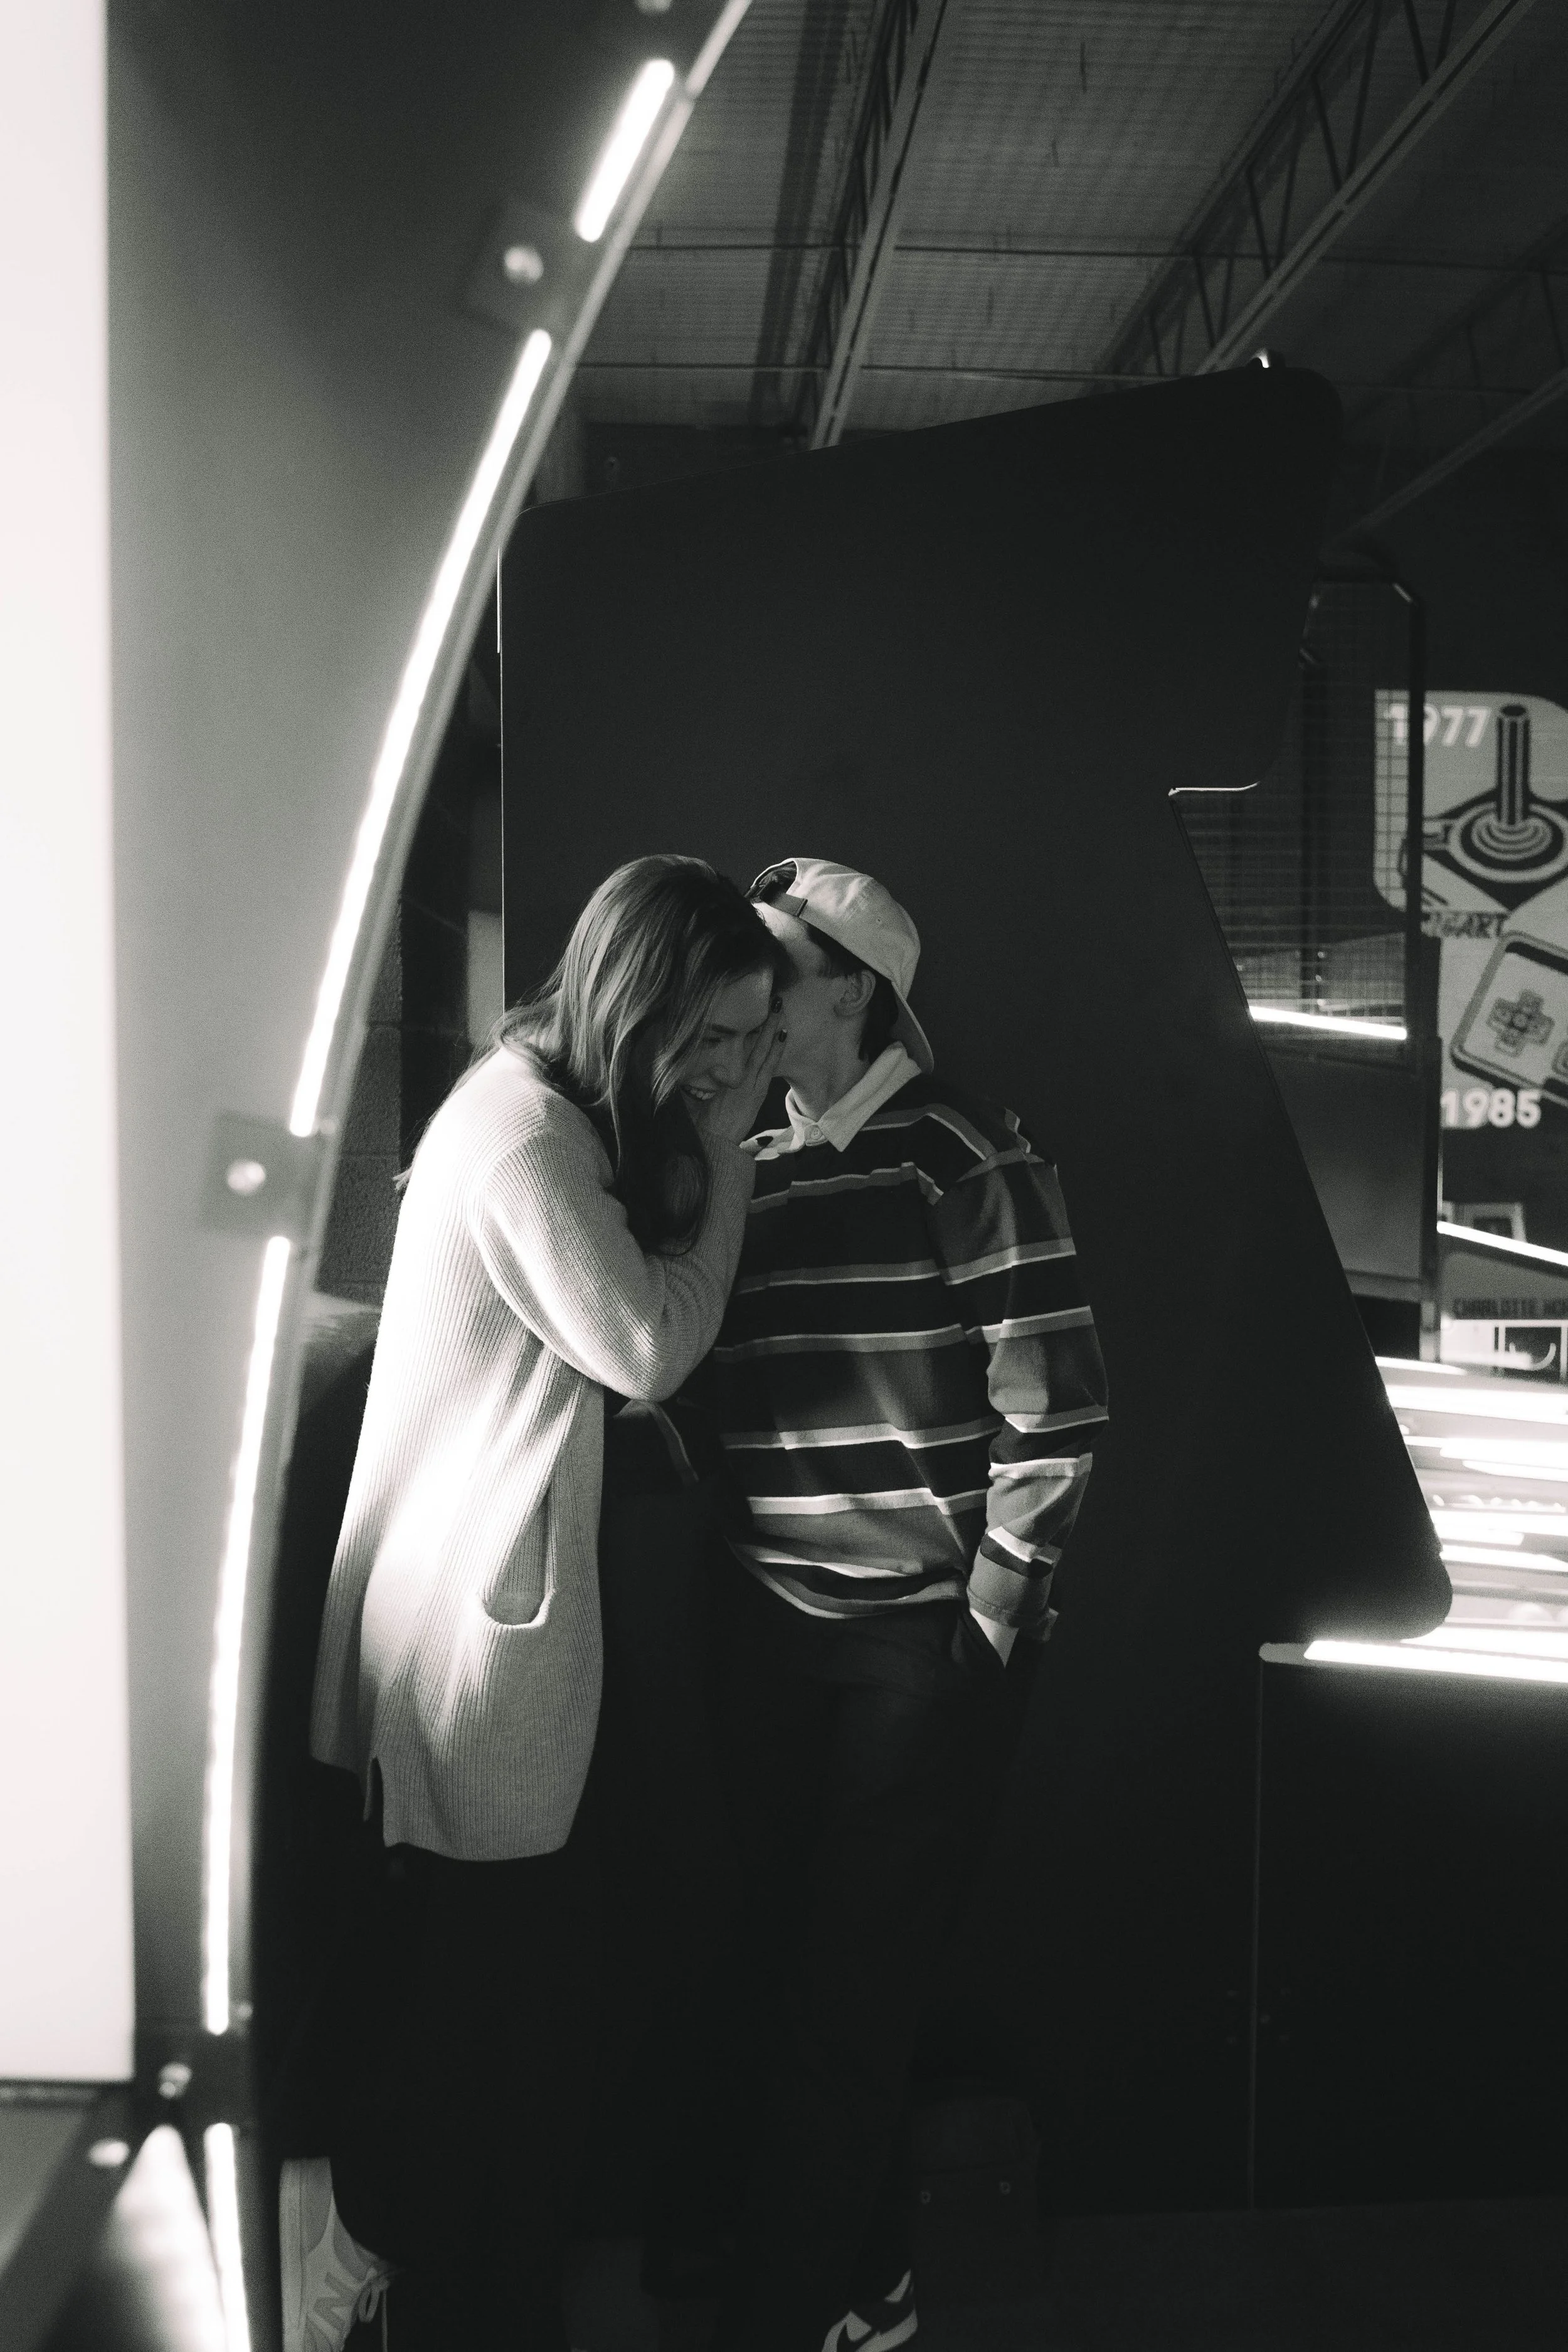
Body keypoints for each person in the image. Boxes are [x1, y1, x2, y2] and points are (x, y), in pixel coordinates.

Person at [280, 855, 788, 2352]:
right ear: (642, 1009)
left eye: (758, 1041)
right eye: (717, 1038)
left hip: (469, 1635)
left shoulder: (547, 1115)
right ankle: (360, 2264)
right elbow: (643, 1343)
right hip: (466, 1652)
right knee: (485, 2029)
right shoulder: (522, 1140)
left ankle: (392, 2262)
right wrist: (737, 1158)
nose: (734, 1070)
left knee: (501, 2018)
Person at [662, 857, 1110, 2352]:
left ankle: (799, 2317)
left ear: (850, 988)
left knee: (844, 2005)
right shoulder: (746, 1152)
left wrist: (984, 1624)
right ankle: (865, 2283)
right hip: (762, 1631)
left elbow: (1056, 1410)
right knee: (773, 1982)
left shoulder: (960, 1149)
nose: (741, 985)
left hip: (914, 1645)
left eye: (775, 963)